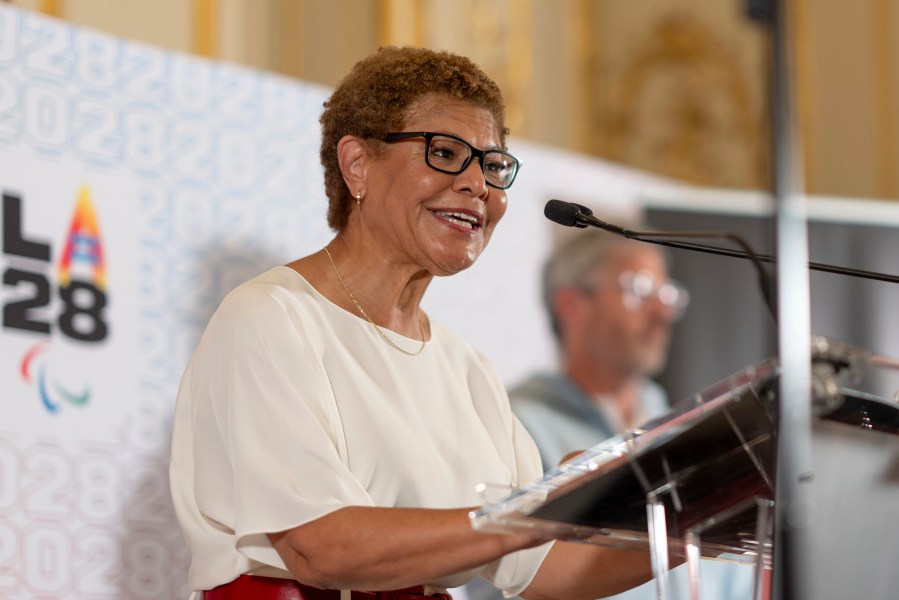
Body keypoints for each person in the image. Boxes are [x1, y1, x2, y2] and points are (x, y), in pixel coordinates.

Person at [168, 46, 659, 600]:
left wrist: (695, 520)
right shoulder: (272, 317)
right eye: (446, 153)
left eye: (493, 165)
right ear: (357, 164)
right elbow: (318, 548)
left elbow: (545, 569)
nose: (479, 185)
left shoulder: (465, 368)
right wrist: (541, 508)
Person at [464, 227, 755, 600]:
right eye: (638, 291)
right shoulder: (513, 424)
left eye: (666, 294)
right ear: (572, 305)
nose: (662, 312)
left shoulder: (684, 432)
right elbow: (490, 577)